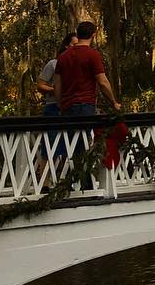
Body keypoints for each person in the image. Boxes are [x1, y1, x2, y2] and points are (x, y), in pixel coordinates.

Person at [54, 21, 121, 188]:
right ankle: (84, 184)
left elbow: (57, 85)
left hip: (68, 106)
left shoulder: (63, 57)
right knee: (85, 146)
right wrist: (113, 102)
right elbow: (102, 81)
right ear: (93, 35)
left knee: (73, 146)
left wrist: (61, 104)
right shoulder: (92, 55)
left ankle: (73, 182)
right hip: (85, 105)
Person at [37, 33, 76, 117]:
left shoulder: (80, 64)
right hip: (53, 106)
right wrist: (55, 90)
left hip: (73, 106)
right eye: (74, 44)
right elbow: (40, 86)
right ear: (66, 46)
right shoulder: (53, 63)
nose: (77, 47)